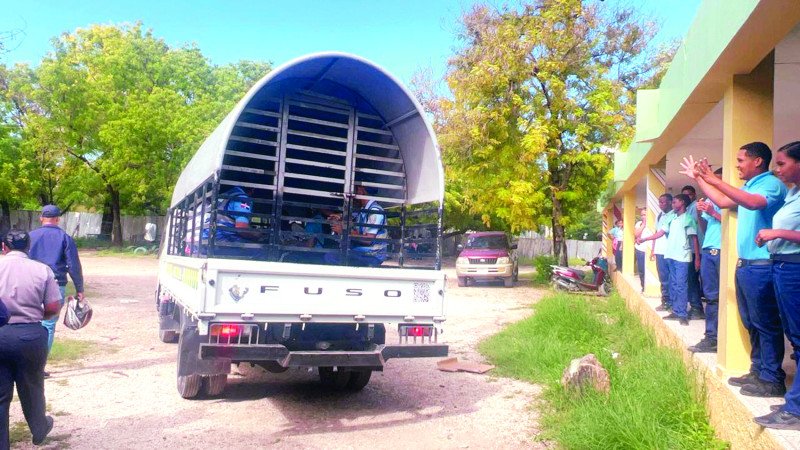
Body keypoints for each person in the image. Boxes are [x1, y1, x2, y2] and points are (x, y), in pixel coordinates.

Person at [681, 141, 787, 398]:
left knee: (765, 323)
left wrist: (712, 179)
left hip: (763, 265)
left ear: (757, 161)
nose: (737, 166)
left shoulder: (770, 184)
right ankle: (758, 370)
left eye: (740, 161)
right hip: (747, 265)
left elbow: (751, 203)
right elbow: (722, 201)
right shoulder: (749, 186)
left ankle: (772, 379)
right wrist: (701, 179)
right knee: (751, 321)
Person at [752, 141, 800, 429]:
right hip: (782, 265)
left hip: (795, 268)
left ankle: (795, 411)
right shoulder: (793, 194)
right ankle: (794, 401)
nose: (776, 169)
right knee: (794, 337)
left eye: (782, 164)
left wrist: (777, 231)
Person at [0, 230, 61, 447]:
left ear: (4, 247)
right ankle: (39, 427)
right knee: (33, 386)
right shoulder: (42, 270)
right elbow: (53, 307)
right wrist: (36, 314)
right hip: (30, 335)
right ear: (28, 247)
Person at [28, 205, 85, 360]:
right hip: (56, 284)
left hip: (31, 284)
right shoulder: (65, 238)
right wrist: (80, 288)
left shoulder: (30, 236)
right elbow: (73, 265)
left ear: (41, 218)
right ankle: (40, 365)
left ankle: (28, 363)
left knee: (29, 322)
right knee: (48, 324)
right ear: (58, 219)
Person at [688, 169, 723, 353]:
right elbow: (706, 226)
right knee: (710, 297)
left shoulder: (730, 199)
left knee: (722, 297)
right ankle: (711, 337)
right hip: (709, 248)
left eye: (716, 180)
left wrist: (713, 212)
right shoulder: (711, 200)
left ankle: (721, 338)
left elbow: (734, 222)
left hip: (723, 250)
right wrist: (703, 213)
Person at [660, 194, 699, 326]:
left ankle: (682, 314)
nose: (672, 204)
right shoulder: (672, 218)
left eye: (674, 202)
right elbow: (661, 232)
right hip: (671, 255)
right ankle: (676, 311)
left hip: (682, 257)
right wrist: (645, 239)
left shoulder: (688, 219)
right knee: (674, 284)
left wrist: (697, 258)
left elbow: (694, 239)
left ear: (682, 203)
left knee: (682, 285)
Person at [324, 185, 387, 267]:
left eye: (356, 189)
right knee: (335, 253)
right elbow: (352, 217)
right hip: (365, 251)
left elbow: (368, 239)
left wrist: (343, 231)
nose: (354, 193)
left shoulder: (374, 211)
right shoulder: (364, 210)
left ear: (361, 190)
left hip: (373, 254)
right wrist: (339, 217)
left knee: (331, 256)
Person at [637, 194, 674, 312]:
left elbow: (662, 233)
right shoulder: (659, 216)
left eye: (663, 202)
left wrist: (644, 239)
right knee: (663, 278)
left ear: (670, 202)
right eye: (659, 202)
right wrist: (653, 249)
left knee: (672, 279)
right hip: (659, 251)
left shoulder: (674, 215)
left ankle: (673, 303)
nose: (661, 204)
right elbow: (656, 232)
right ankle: (665, 301)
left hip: (670, 252)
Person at [680, 185, 705, 319]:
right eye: (684, 195)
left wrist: (697, 256)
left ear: (694, 195)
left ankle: (697, 309)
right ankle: (696, 308)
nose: (686, 197)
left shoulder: (696, 207)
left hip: (700, 249)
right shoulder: (688, 209)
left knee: (698, 280)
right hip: (693, 250)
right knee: (692, 280)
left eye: (689, 194)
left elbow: (695, 233)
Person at [633, 209, 652, 292]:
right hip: (640, 249)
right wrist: (643, 224)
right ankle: (643, 287)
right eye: (642, 215)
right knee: (641, 269)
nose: (643, 216)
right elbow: (636, 234)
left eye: (645, 214)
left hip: (650, 250)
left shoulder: (653, 223)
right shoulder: (639, 224)